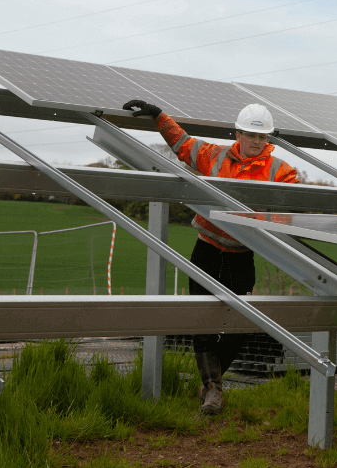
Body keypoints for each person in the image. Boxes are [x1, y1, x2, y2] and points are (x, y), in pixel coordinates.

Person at [123, 98, 299, 414]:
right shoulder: (214, 156)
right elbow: (182, 144)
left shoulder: (280, 171)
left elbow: (294, 206)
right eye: (250, 135)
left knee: (242, 323)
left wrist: (273, 221)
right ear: (238, 134)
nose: (256, 142)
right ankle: (214, 390)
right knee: (202, 321)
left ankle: (209, 384)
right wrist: (159, 116)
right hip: (206, 249)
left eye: (262, 136)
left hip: (242, 255)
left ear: (268, 138)